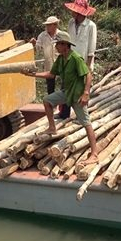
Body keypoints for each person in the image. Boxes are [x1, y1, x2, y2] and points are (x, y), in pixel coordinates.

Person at [24, 31, 98, 166]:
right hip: (66, 92)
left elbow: (88, 75)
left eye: (58, 44)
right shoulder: (60, 59)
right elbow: (51, 74)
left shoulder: (75, 58)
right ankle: (52, 127)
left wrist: (86, 93)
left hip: (77, 95)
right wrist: (32, 75)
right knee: (47, 100)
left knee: (86, 123)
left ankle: (94, 154)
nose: (56, 47)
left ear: (65, 45)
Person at [61, 0, 97, 119]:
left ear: (79, 12)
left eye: (74, 10)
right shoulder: (71, 23)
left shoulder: (91, 26)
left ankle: (81, 117)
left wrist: (87, 68)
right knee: (66, 87)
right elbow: (68, 41)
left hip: (82, 63)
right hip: (70, 59)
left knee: (81, 91)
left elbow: (91, 50)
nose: (72, 12)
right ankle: (64, 114)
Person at [29, 15, 60, 95]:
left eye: (49, 25)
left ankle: (62, 105)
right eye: (47, 25)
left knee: (62, 85)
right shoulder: (42, 35)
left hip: (60, 63)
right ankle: (51, 105)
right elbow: (38, 48)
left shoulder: (61, 35)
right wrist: (34, 43)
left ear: (55, 25)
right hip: (49, 64)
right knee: (50, 86)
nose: (47, 27)